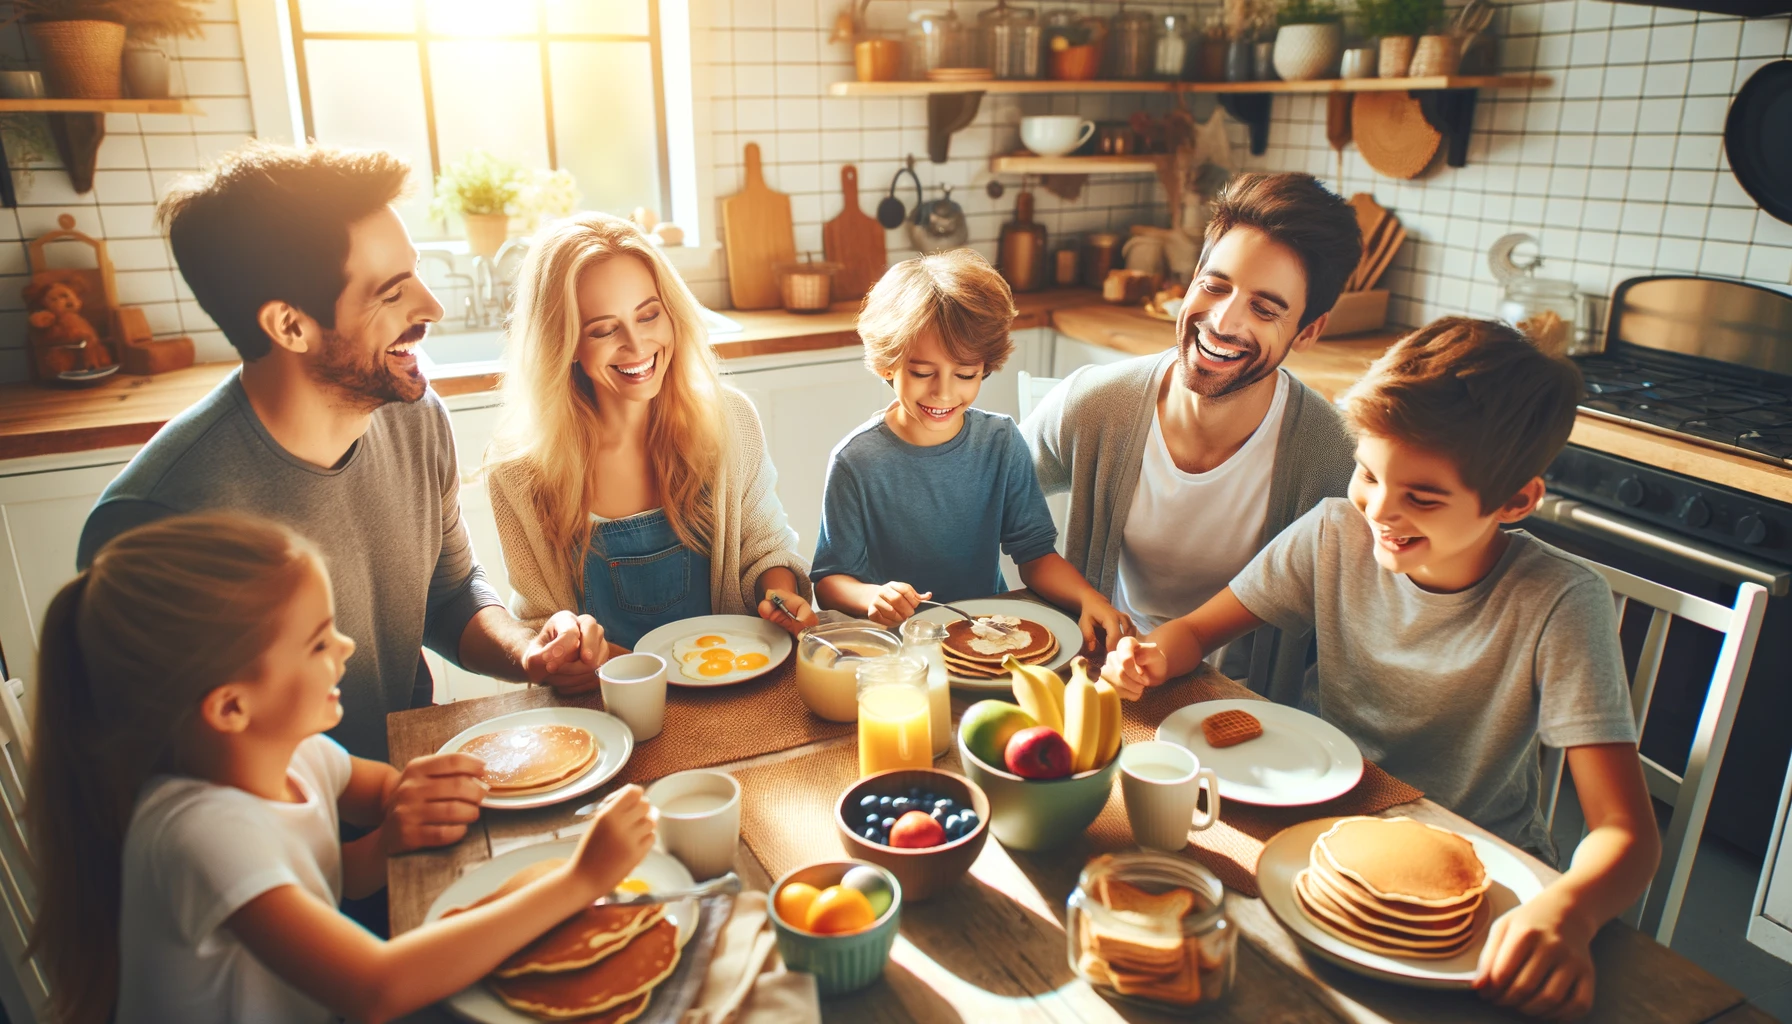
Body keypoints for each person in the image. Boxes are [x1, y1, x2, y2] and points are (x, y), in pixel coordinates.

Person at [1103, 318, 1659, 1020]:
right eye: (1368, 473)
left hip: (1487, 876)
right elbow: (1196, 631)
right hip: (1327, 831)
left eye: (1422, 497)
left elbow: (1626, 834)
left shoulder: (1558, 601)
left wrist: (1570, 915)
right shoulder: (1336, 533)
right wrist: (1152, 655)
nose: (1382, 512)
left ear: (1517, 501)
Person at [76, 143, 609, 764]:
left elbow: (449, 591)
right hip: (287, 847)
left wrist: (527, 653)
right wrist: (361, 842)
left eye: (416, 273)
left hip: (411, 779)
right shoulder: (156, 519)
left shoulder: (413, 416)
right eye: (390, 293)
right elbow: (160, 788)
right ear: (289, 326)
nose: (431, 308)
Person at [29, 513, 658, 1024]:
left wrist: (393, 828)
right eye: (318, 642)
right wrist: (581, 877)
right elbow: (375, 988)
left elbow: (354, 850)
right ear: (231, 706)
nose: (347, 648)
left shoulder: (290, 752)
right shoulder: (203, 834)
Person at [1023, 172, 1361, 698]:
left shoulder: (1335, 459)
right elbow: (983, 498)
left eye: (1265, 308)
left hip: (1251, 707)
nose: (1223, 322)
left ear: (1309, 331)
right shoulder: (1093, 404)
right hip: (1102, 682)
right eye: (1215, 285)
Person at [486, 213, 817, 649]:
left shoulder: (731, 421)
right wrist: (561, 644)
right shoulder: (517, 472)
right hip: (603, 704)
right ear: (564, 345)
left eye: (648, 316)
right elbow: (540, 620)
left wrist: (780, 593)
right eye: (604, 329)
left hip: (734, 687)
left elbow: (766, 548)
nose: (637, 345)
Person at [811, 250, 1130, 650]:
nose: (944, 391)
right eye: (922, 372)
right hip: (898, 645)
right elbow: (829, 582)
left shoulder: (1000, 442)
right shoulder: (856, 460)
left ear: (986, 367)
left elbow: (1034, 555)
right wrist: (871, 597)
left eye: (965, 374)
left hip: (984, 632)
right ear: (887, 364)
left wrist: (1089, 598)